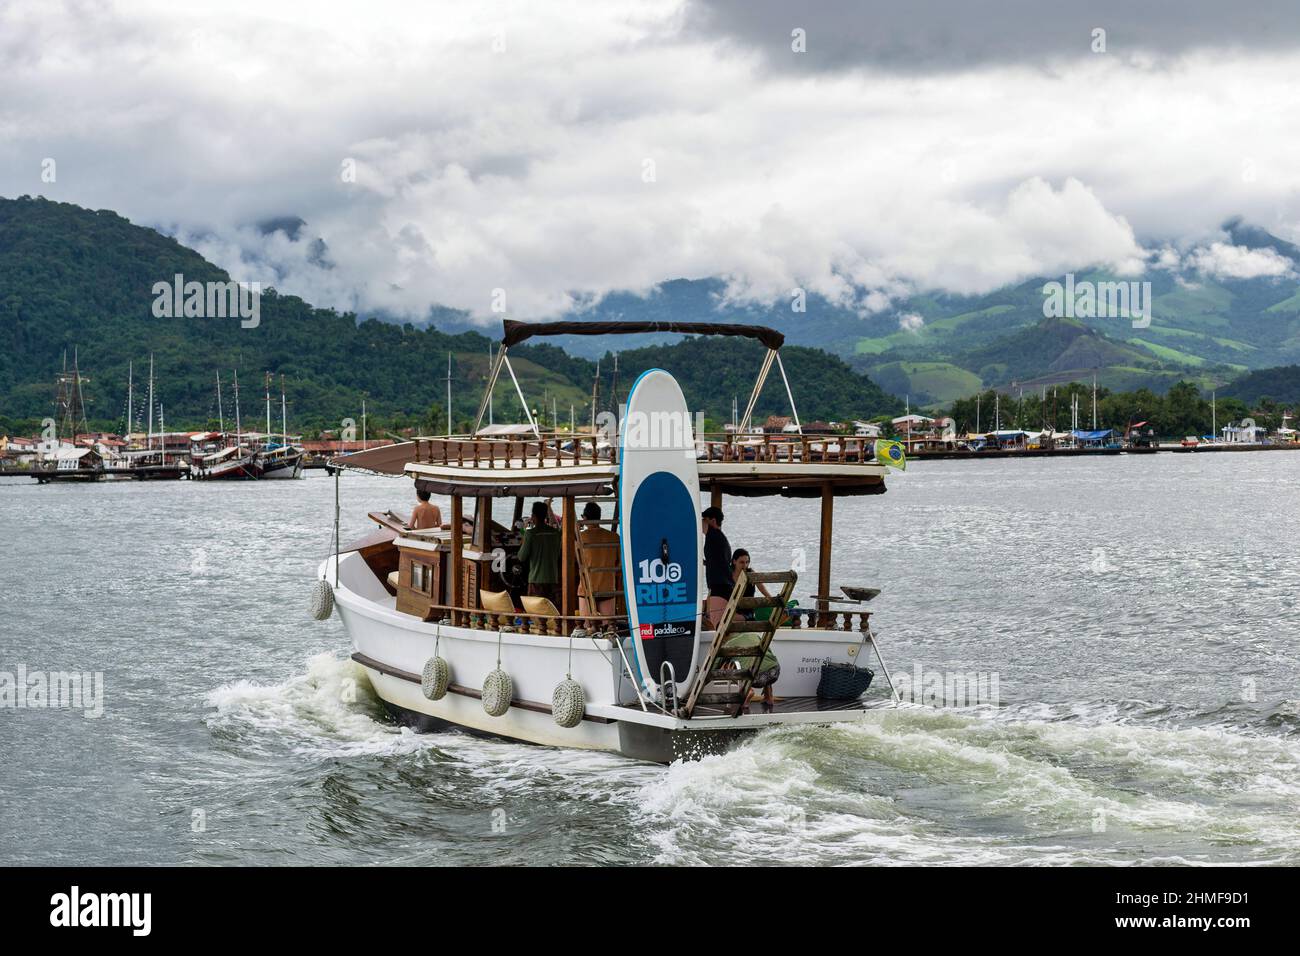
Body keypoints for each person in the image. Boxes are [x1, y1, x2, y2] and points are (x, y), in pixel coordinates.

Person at [578, 501, 618, 617]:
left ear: (584, 518)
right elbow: (620, 563)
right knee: (608, 627)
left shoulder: (580, 537)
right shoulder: (614, 537)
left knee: (587, 626)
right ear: (599, 517)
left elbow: (576, 561)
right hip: (608, 587)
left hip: (586, 587)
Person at [517, 499, 561, 604]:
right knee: (552, 611)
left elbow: (521, 557)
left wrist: (523, 538)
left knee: (536, 611)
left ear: (533, 516)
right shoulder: (556, 533)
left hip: (536, 580)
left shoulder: (530, 534)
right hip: (553, 578)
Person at [701, 506, 732, 628]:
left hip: (720, 586)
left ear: (712, 521)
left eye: (705, 519)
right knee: (718, 623)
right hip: (723, 584)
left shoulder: (713, 534)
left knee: (717, 625)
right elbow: (717, 561)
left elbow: (698, 521)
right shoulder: (719, 538)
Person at [730, 548, 773, 621]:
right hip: (730, 610)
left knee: (734, 618)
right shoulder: (727, 575)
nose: (745, 565)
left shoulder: (751, 573)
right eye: (742, 562)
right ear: (734, 561)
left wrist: (774, 602)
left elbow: (762, 589)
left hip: (747, 612)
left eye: (747, 562)